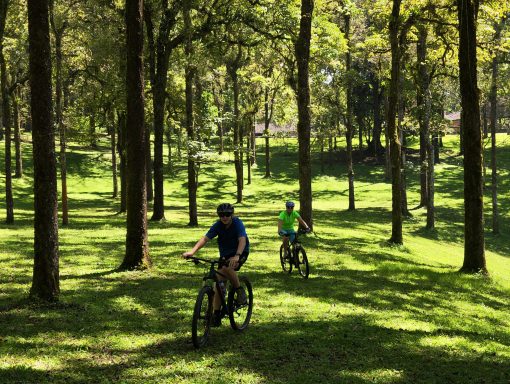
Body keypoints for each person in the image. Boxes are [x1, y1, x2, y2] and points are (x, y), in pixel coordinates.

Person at [183, 203, 249, 327]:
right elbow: (205, 239)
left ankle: (239, 291)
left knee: (228, 267)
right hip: (225, 254)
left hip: (240, 251)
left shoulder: (237, 223)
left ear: (232, 214)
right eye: (221, 215)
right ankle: (217, 314)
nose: (224, 217)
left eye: (227, 214)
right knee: (218, 283)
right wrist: (192, 251)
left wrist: (237, 255)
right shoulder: (218, 225)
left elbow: (242, 240)